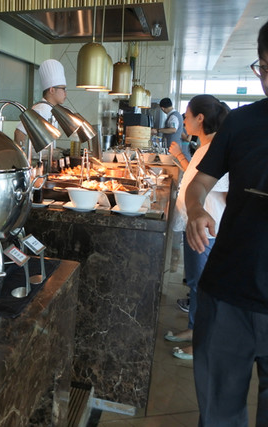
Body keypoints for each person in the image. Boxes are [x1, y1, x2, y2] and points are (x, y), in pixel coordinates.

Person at [184, 20, 268, 426]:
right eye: (266, 68)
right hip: (228, 293)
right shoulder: (242, 122)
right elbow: (199, 184)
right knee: (218, 414)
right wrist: (195, 210)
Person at [163, 95, 230, 361]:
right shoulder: (205, 148)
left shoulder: (217, 149)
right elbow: (196, 177)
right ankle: (194, 329)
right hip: (194, 227)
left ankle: (203, 343)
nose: (184, 120)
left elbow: (227, 192)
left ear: (200, 118)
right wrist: (180, 156)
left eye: (187, 115)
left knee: (204, 286)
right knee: (195, 283)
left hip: (207, 231)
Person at [14, 59, 67, 147]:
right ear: (52, 90)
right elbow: (19, 133)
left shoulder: (51, 109)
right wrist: (22, 152)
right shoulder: (42, 109)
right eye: (63, 89)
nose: (65, 94)